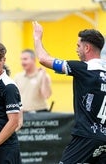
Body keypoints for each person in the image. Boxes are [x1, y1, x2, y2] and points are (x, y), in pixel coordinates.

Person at [32, 21, 106, 163]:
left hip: (86, 136)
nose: (76, 49)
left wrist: (37, 38)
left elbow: (43, 59)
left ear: (87, 48)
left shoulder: (83, 68)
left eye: (78, 46)